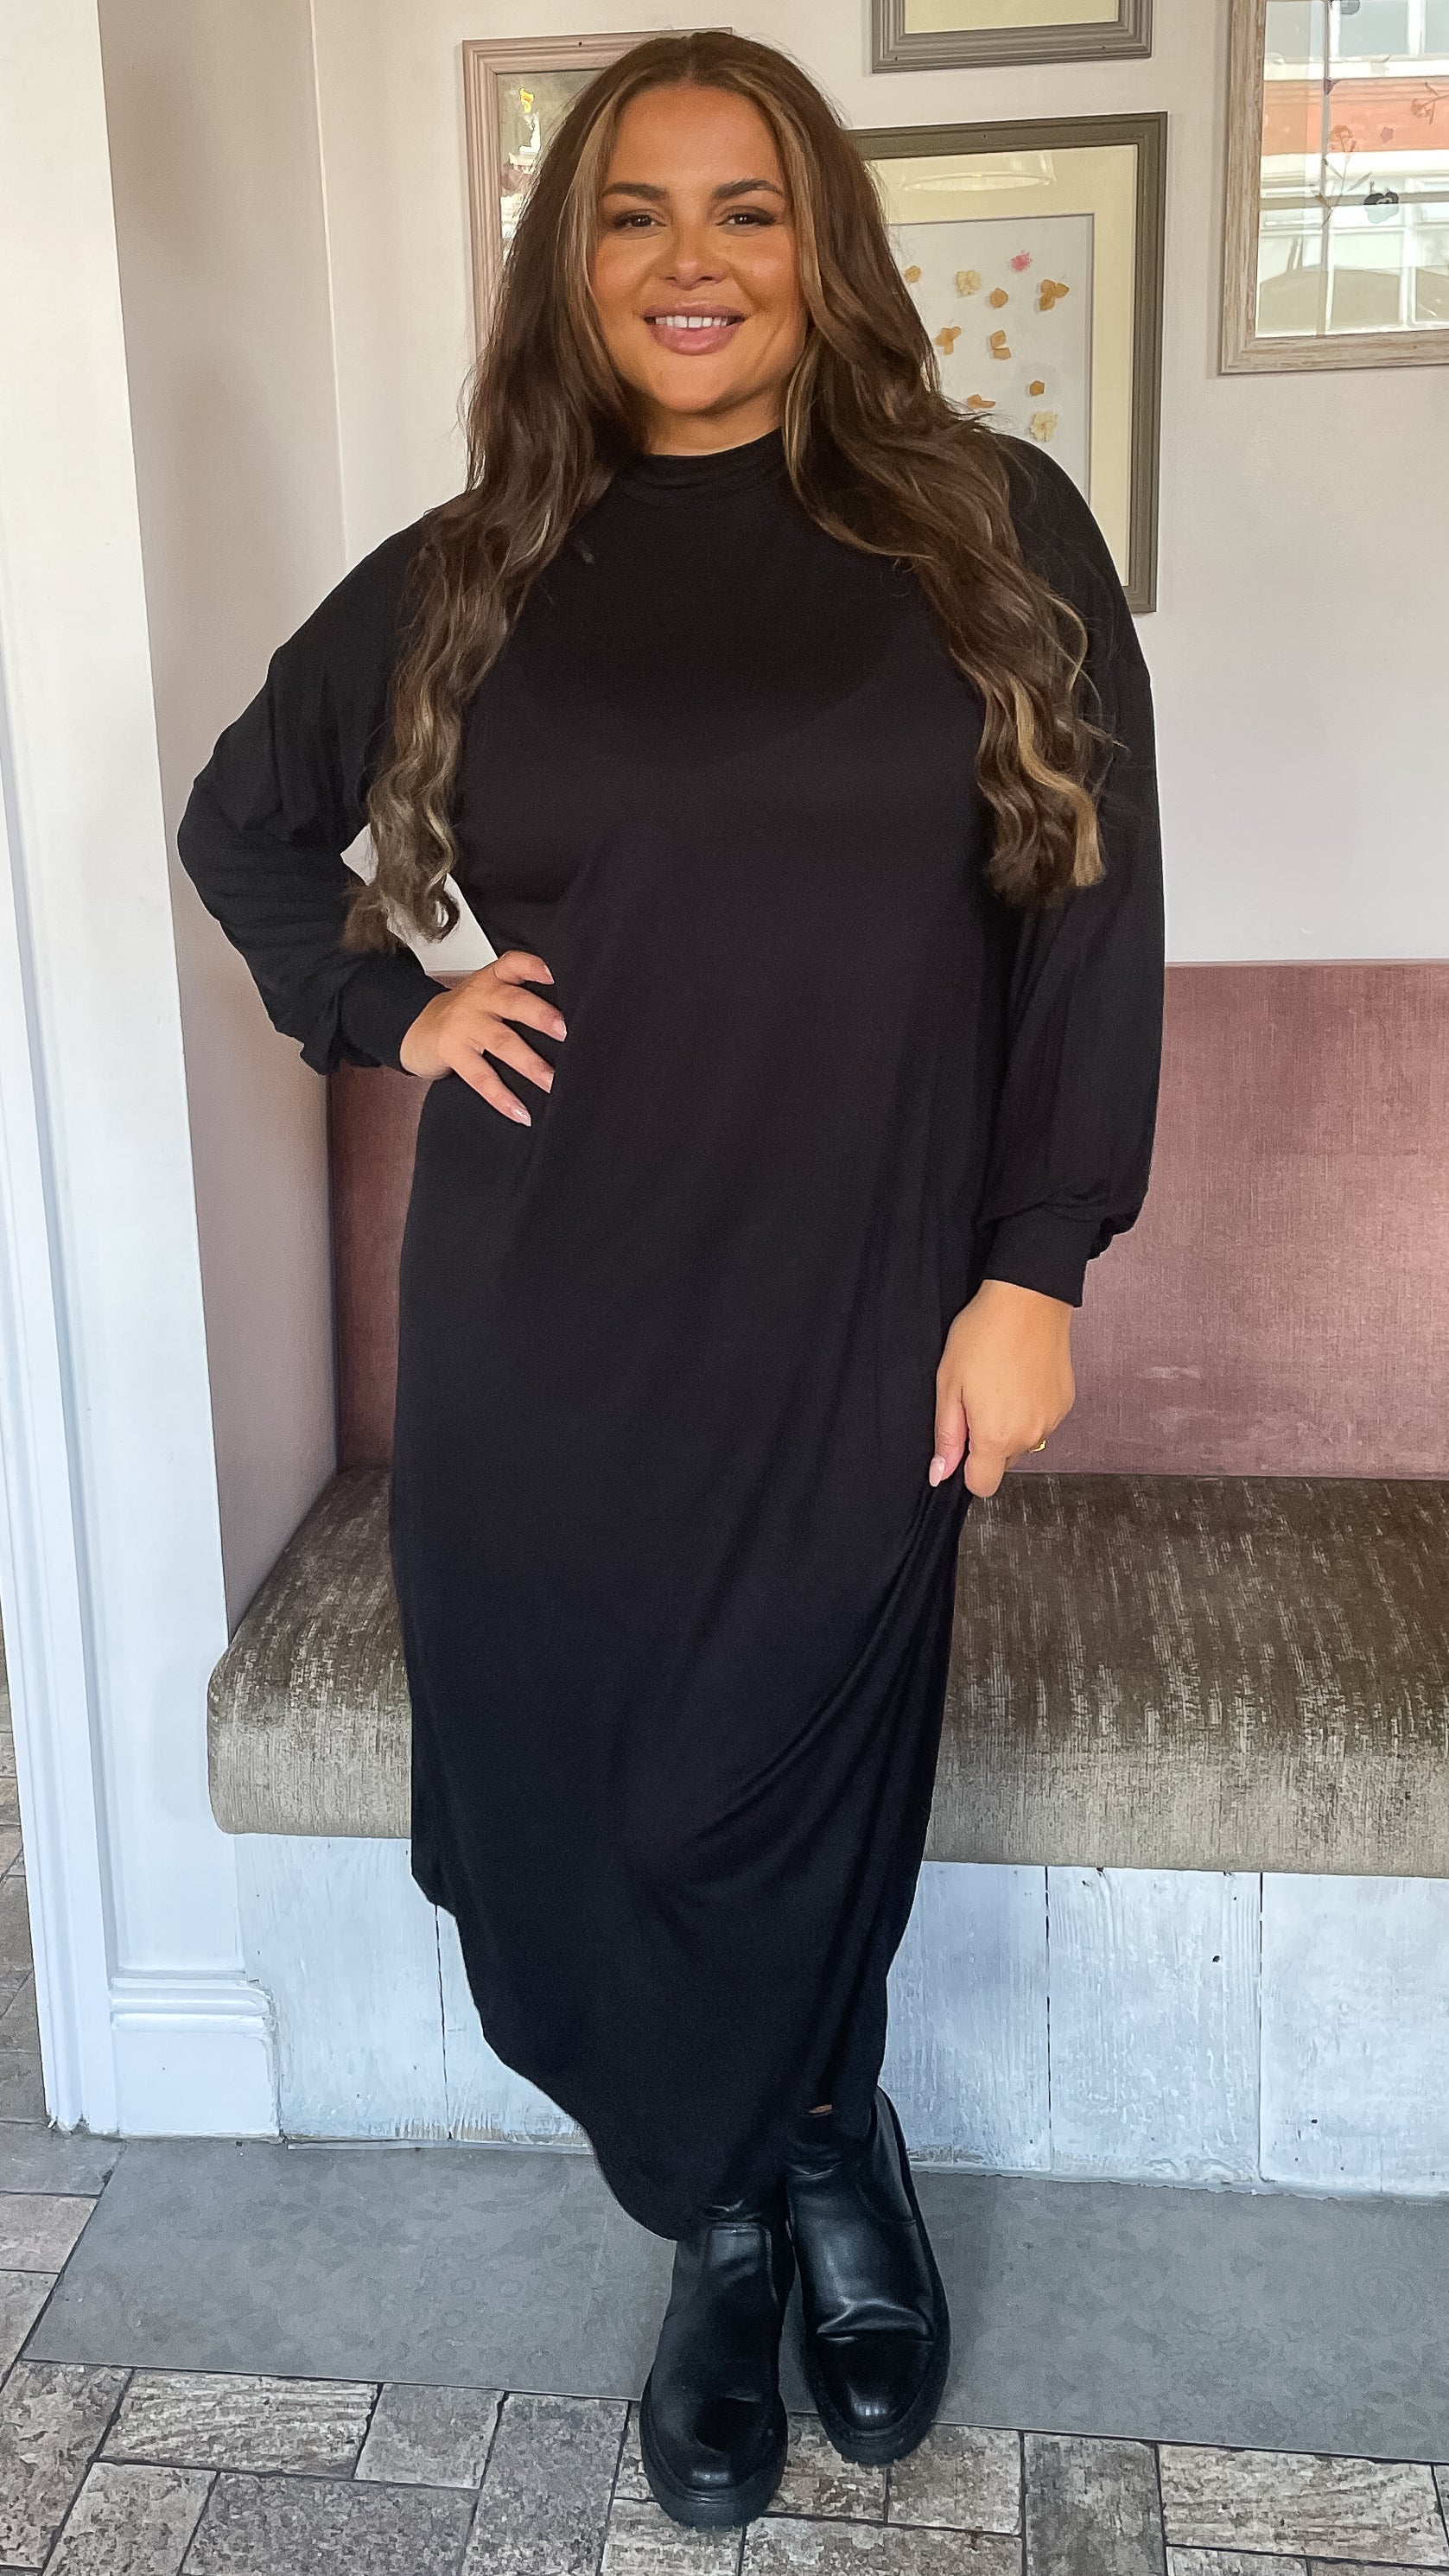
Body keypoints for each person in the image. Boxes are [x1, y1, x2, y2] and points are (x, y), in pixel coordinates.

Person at [176, 29, 1164, 2533]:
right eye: (633, 212)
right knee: (588, 1785)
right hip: (547, 1312)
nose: (691, 261)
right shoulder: (476, 567)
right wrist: (396, 1007)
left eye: (747, 208)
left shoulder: (986, 529)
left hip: (855, 1309)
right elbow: (247, 819)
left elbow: (1088, 908)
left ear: (826, 246)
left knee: (787, 1771)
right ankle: (730, 2211)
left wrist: (1037, 1265)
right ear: (570, 263)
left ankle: (828, 2139)